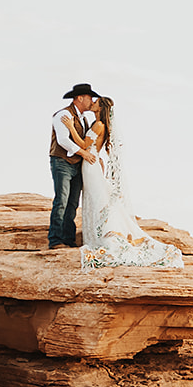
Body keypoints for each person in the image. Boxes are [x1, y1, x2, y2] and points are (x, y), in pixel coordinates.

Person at [77, 95, 184, 271]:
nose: (93, 103)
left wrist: (68, 128)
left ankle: (103, 235)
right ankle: (97, 233)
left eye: (95, 102)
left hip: (91, 164)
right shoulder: (98, 124)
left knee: (96, 198)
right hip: (92, 162)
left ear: (101, 107)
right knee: (95, 197)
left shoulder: (99, 125)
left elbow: (83, 144)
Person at [48, 83, 99, 250]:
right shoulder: (63, 114)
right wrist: (84, 154)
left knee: (72, 203)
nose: (92, 101)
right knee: (61, 200)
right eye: (90, 97)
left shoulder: (84, 119)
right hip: (62, 162)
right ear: (80, 98)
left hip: (77, 165)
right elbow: (63, 140)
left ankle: (68, 239)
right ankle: (55, 240)